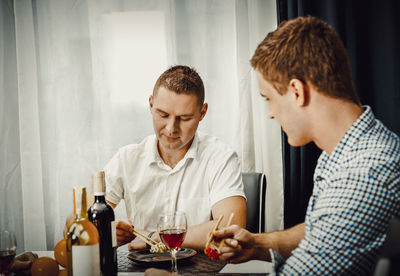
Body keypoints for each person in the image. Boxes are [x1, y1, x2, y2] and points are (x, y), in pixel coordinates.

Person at [145, 16, 400, 275]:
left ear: (297, 91)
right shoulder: (349, 149)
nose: (270, 113)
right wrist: (259, 244)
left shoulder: (362, 174)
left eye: (268, 98)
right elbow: (324, 227)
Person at [107, 65, 246, 250]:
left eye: (185, 118)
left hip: (200, 268)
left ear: (202, 113)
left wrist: (155, 237)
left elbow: (231, 227)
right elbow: (78, 221)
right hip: (140, 267)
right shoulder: (127, 159)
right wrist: (105, 229)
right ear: (150, 105)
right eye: (163, 115)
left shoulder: (220, 157)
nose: (171, 128)